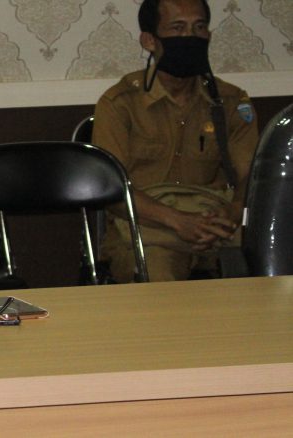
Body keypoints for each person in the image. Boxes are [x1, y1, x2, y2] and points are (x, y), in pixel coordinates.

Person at [93, 0, 259, 282]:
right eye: (178, 28)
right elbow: (111, 190)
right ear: (149, 41)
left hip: (217, 223)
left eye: (199, 27)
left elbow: (251, 177)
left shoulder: (230, 101)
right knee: (158, 276)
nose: (190, 37)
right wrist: (178, 221)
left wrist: (233, 212)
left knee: (269, 256)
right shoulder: (120, 103)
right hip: (150, 228)